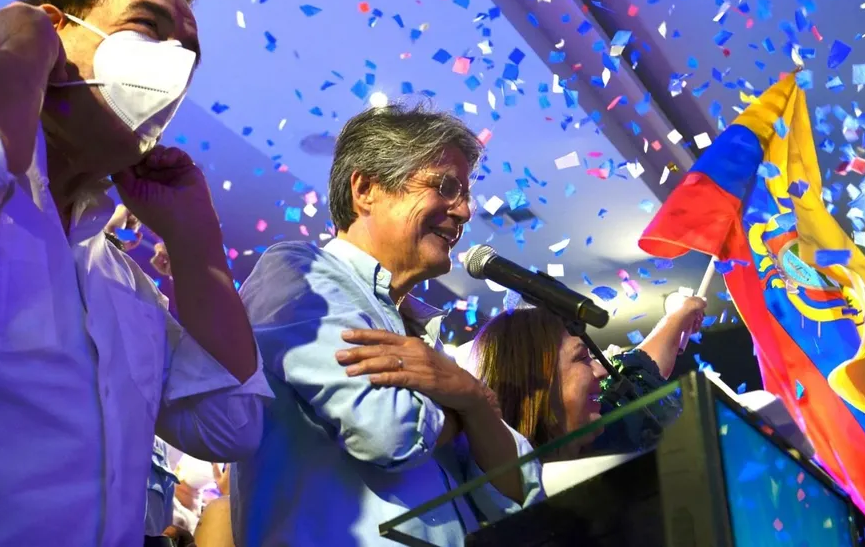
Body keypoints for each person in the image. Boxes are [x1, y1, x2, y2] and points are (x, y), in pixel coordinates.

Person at [0, 0, 273, 545]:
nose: (172, 67)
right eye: (146, 29)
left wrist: (198, 247)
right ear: (56, 29)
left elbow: (229, 425)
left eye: (186, 56)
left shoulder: (124, 286)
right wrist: (16, 53)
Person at [232, 102, 544, 546]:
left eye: (466, 194)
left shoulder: (425, 338)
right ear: (365, 189)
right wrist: (465, 410)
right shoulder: (299, 275)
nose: (465, 211)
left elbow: (520, 492)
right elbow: (388, 433)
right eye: (446, 186)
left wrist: (472, 400)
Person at [470, 296, 706, 459]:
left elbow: (639, 369)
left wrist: (681, 314)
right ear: (534, 380)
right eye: (582, 358)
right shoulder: (516, 489)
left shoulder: (608, 430)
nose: (601, 371)